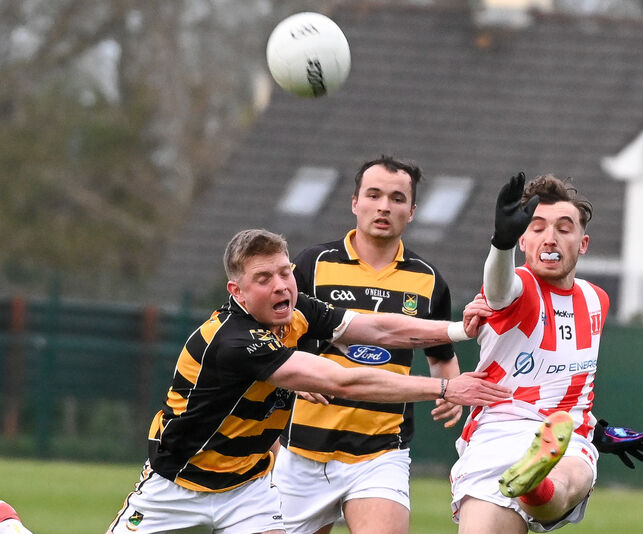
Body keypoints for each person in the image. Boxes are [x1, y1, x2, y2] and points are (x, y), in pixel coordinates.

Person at [106, 229, 510, 534]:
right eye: (264, 278)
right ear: (238, 292)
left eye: (285, 272)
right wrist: (443, 387)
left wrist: (457, 330)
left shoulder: (294, 310)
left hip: (247, 488)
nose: (282, 285)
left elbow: (377, 329)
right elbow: (343, 382)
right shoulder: (231, 339)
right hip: (177, 484)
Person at [274, 156, 463, 534]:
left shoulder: (428, 280)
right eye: (373, 195)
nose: (384, 206)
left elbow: (441, 353)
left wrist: (450, 390)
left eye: (396, 198)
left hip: (380, 452)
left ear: (411, 212)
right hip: (301, 451)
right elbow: (272, 340)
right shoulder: (312, 264)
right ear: (354, 202)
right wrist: (290, 377)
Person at [451, 172, 608, 533]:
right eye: (537, 227)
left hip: (564, 435)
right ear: (523, 239)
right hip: (501, 433)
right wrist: (500, 244)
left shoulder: (595, 299)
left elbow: (569, 380)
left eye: (563, 228)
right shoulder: (519, 288)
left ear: (582, 243)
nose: (550, 237)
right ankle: (533, 481)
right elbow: (499, 288)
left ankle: (535, 483)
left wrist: (603, 431)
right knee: (566, 484)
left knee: (570, 479)